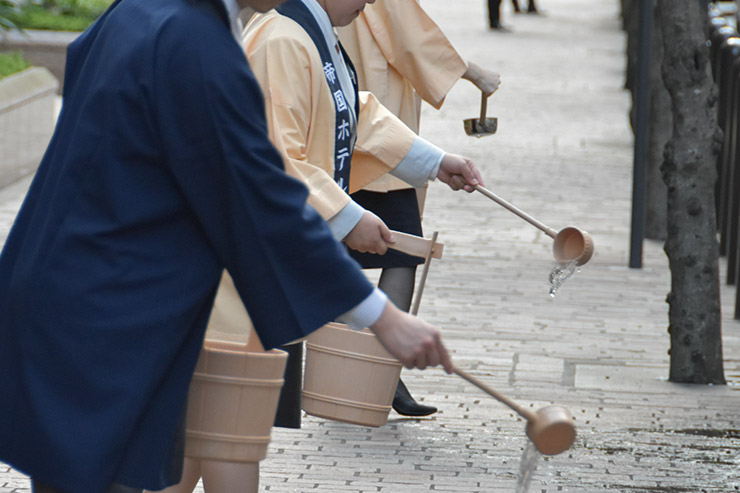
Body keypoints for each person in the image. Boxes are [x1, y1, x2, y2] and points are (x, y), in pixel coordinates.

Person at [0, 0, 456, 491]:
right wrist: (381, 316)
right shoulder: (195, 41)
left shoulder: (142, 10)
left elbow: (84, 61)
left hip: (60, 288)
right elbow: (261, 195)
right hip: (111, 313)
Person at [338, 0, 502, 417]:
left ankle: (359, 369)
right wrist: (470, 71)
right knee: (400, 247)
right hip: (371, 124)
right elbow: (407, 31)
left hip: (356, 117)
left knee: (343, 248)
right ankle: (376, 368)